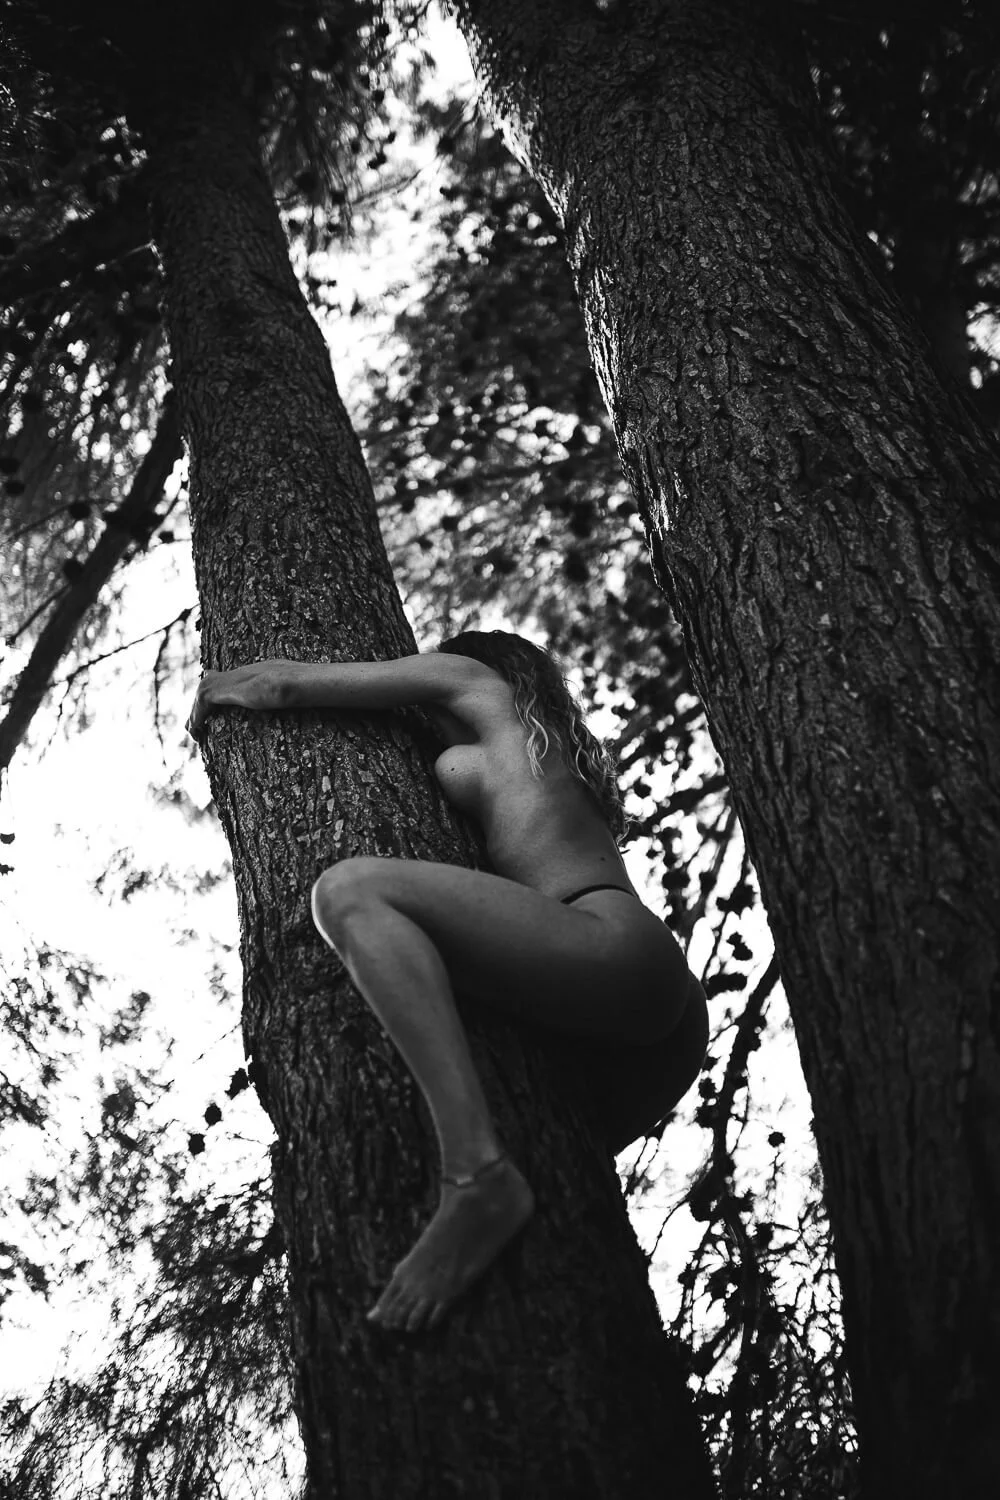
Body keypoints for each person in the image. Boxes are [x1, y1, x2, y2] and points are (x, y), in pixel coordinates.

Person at [186, 630, 708, 1334]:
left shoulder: (474, 681)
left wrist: (217, 685)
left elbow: (281, 686)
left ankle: (476, 1174)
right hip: (651, 999)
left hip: (604, 943)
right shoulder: (541, 744)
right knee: (564, 1178)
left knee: (349, 893)